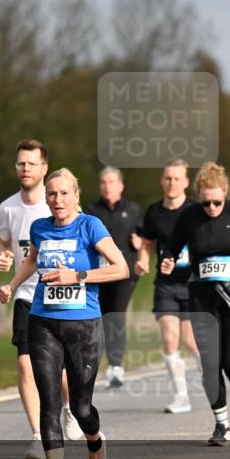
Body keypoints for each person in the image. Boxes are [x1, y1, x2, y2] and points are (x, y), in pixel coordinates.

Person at [0, 168, 129, 459]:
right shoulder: (39, 227)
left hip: (83, 325)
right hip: (43, 322)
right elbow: (31, 260)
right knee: (50, 402)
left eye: (64, 193)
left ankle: (96, 443)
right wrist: (12, 286)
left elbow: (120, 267)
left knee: (82, 408)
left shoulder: (90, 226)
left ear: (76, 196)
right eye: (52, 194)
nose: (57, 200)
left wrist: (78, 276)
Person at [161, 162, 230, 446]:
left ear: (226, 193)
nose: (212, 208)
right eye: (206, 203)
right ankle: (221, 425)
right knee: (210, 363)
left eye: (218, 201)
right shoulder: (189, 216)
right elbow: (172, 246)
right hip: (202, 297)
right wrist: (167, 259)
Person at [0, 139, 82, 459]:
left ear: (44, 168)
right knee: (25, 365)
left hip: (61, 295)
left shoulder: (57, 203)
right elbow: (4, 241)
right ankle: (37, 435)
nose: (25, 169)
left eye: (31, 163)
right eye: (20, 163)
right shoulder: (8, 207)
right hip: (28, 295)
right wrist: (4, 256)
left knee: (60, 368)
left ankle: (71, 409)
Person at [135, 159, 200, 414]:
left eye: (177, 178)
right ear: (162, 181)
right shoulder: (153, 212)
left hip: (193, 283)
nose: (172, 182)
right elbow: (147, 243)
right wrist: (142, 261)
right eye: (168, 178)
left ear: (185, 182)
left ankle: (212, 383)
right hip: (165, 285)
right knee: (170, 339)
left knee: (192, 342)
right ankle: (181, 396)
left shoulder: (195, 209)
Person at [84, 167, 143, 389]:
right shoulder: (91, 210)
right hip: (98, 272)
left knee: (116, 314)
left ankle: (116, 366)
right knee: (99, 317)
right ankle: (96, 363)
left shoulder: (133, 209)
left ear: (121, 185)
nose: (107, 186)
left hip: (124, 271)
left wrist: (141, 249)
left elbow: (145, 239)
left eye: (111, 182)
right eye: (104, 182)